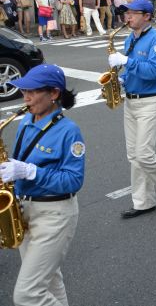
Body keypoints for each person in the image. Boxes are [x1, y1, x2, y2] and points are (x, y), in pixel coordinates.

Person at [0, 64, 84, 306]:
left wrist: (29, 171)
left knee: (27, 294)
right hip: (25, 209)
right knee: (49, 281)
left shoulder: (69, 131)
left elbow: (74, 180)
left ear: (54, 93)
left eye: (32, 92)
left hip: (54, 214)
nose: (25, 97)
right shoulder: (27, 119)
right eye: (23, 90)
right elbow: (19, 159)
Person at [110, 0, 156, 218]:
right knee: (134, 155)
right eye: (126, 13)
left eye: (133, 13)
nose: (128, 17)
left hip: (151, 101)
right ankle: (143, 202)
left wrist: (126, 61)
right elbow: (134, 70)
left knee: (144, 154)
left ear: (147, 16)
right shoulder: (129, 40)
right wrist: (122, 79)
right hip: (131, 100)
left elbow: (153, 71)